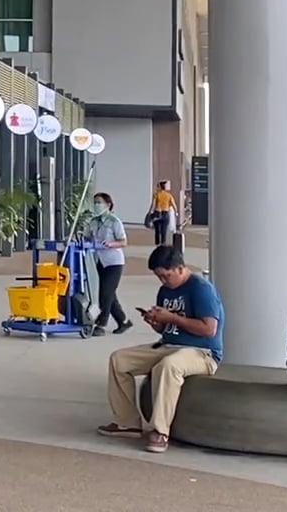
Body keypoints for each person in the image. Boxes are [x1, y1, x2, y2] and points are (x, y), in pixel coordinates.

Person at [99, 246, 223, 454]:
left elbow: (209, 329)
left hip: (201, 351)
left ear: (180, 268)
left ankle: (160, 430)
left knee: (167, 366)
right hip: (168, 344)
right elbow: (165, 327)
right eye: (159, 277)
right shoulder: (165, 290)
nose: (163, 281)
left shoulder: (201, 288)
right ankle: (127, 422)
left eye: (166, 276)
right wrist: (155, 321)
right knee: (119, 360)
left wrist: (172, 317)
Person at [82, 192, 132, 335]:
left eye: (99, 202)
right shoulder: (93, 222)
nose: (96, 205)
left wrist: (111, 244)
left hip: (114, 263)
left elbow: (123, 242)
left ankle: (101, 324)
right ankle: (123, 321)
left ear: (108, 205)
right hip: (100, 262)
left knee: (105, 293)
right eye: (95, 202)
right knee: (109, 293)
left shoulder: (114, 222)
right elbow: (87, 237)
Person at [148, 181, 176, 246]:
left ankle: (157, 244)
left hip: (157, 213)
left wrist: (149, 212)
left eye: (157, 186)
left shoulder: (156, 194)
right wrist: (176, 212)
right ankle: (163, 244)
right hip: (166, 214)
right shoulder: (169, 195)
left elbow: (153, 204)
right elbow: (174, 205)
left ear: (160, 187)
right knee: (164, 230)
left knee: (157, 230)